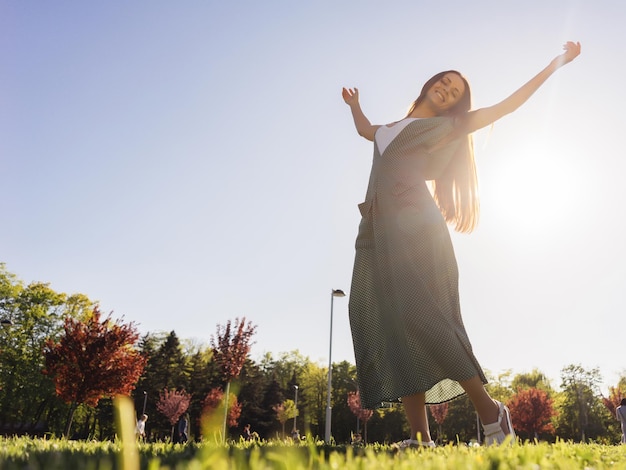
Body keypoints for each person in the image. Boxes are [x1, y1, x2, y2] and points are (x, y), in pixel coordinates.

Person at [342, 41, 581, 447]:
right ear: (430, 83)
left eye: (454, 93)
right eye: (445, 83)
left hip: (416, 233)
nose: (447, 90)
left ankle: (492, 414)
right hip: (377, 233)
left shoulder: (446, 127)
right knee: (386, 324)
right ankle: (420, 438)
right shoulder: (387, 130)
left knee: (424, 318)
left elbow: (505, 107)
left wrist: (554, 65)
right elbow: (366, 130)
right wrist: (354, 105)